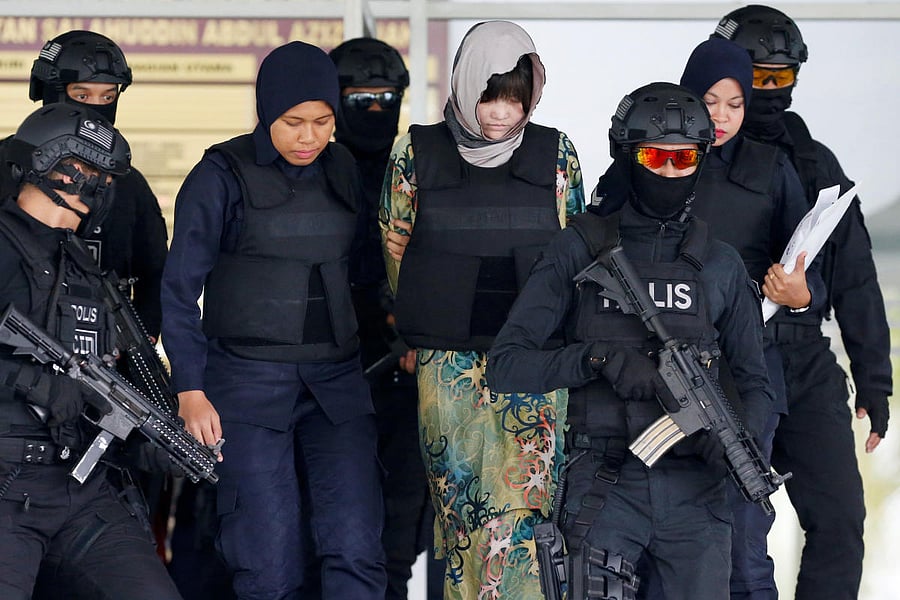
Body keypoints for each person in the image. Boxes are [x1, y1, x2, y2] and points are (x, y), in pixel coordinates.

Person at [487, 81, 777, 600]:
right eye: (654, 156)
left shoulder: (721, 264)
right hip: (604, 484)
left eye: (684, 157)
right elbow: (507, 366)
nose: (669, 171)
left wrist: (737, 439)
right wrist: (596, 358)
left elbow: (758, 383)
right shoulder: (580, 248)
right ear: (627, 154)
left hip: (698, 495)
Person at [592, 38, 821, 600]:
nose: (721, 115)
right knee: (645, 548)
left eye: (736, 103)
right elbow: (592, 248)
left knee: (742, 548)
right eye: (710, 100)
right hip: (645, 378)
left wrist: (800, 296)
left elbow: (812, 273)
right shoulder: (638, 164)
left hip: (738, 376)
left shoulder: (773, 172)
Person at [160, 40, 386, 599]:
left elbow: (365, 271)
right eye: (293, 122)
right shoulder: (220, 175)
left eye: (323, 121)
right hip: (246, 381)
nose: (308, 137)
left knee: (356, 550)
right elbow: (178, 291)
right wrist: (190, 389)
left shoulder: (344, 169)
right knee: (267, 564)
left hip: (336, 379)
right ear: (266, 113)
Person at [379, 20, 585, 599]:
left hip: (536, 371)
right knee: (463, 519)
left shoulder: (556, 153)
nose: (499, 113)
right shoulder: (413, 154)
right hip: (448, 372)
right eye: (489, 95)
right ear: (465, 84)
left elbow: (577, 255)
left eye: (514, 100)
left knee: (531, 521)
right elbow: (397, 256)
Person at [714, 6, 892, 599]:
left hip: (808, 360)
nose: (768, 93)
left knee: (841, 521)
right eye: (756, 78)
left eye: (780, 79)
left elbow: (859, 280)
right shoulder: (689, 153)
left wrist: (874, 381)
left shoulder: (816, 162)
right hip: (728, 362)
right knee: (741, 534)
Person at [0, 102, 182, 600]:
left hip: (84, 489)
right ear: (50, 165)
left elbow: (115, 370)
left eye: (103, 176)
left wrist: (154, 434)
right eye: (87, 172)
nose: (98, 186)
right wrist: (34, 382)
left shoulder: (86, 269)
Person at [329, 37, 438, 600]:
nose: (375, 107)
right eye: (360, 96)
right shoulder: (312, 173)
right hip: (330, 380)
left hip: (406, 376)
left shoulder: (419, 169)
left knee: (394, 547)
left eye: (386, 95)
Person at [0, 30, 168, 339]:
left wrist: (140, 339)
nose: (96, 108)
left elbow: (155, 272)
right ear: (50, 91)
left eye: (108, 96)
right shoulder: (6, 162)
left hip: (100, 353)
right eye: (82, 95)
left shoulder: (129, 185)